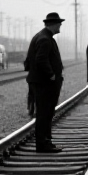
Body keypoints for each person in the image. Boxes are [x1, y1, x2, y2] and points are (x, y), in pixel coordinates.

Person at [24, 12, 66, 153]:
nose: (60, 25)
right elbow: (40, 59)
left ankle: (46, 142)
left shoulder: (42, 36)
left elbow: (29, 61)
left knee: (45, 113)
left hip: (41, 82)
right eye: (59, 23)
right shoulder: (45, 39)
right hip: (45, 83)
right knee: (45, 113)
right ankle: (43, 144)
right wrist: (51, 75)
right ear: (53, 24)